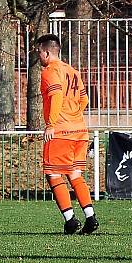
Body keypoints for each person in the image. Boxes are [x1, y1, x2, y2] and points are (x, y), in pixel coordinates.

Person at [37, 33, 98, 235]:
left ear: (46, 52)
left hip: (61, 131)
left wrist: (52, 124)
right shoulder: (72, 71)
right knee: (75, 174)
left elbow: (55, 96)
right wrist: (74, 117)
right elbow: (84, 99)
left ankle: (70, 220)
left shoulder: (49, 71)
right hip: (80, 130)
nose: (39, 55)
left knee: (53, 174)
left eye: (39, 51)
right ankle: (90, 217)